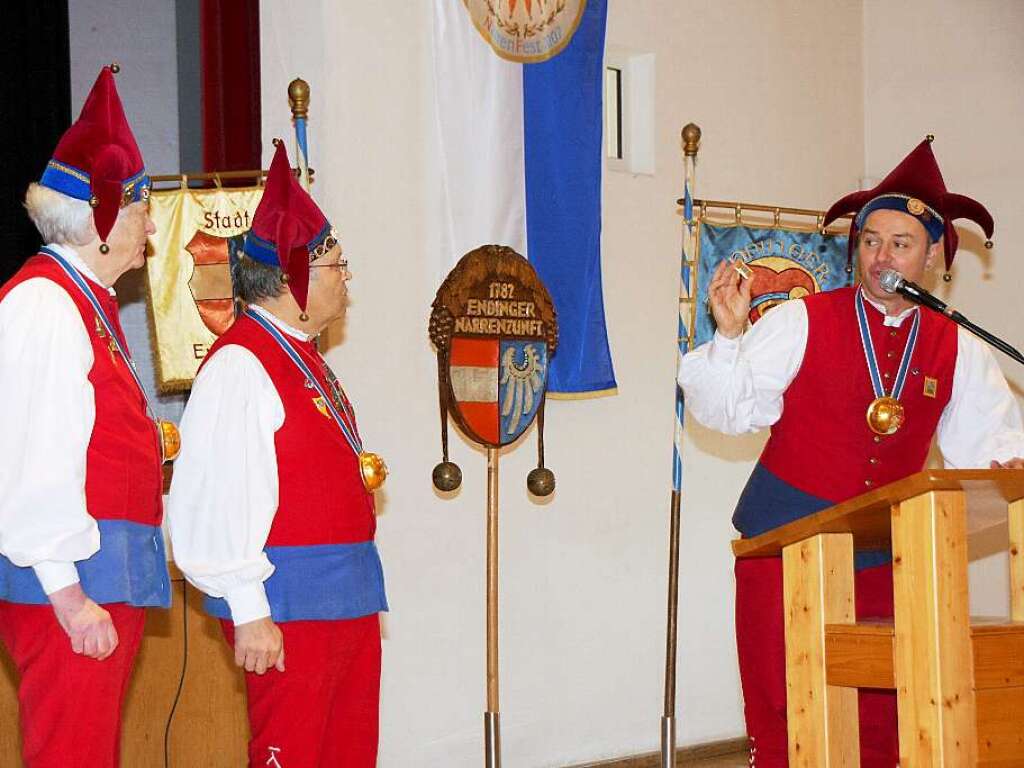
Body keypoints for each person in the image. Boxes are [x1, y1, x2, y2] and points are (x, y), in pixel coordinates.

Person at [679, 137, 1024, 767]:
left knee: (880, 720)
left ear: (934, 257)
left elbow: (992, 446)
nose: (880, 256)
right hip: (778, 550)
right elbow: (727, 410)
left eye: (900, 244)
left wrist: (1009, 468)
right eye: (869, 241)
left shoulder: (957, 346)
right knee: (784, 713)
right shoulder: (804, 320)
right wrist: (730, 336)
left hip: (881, 559)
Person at [168, 141, 388, 767]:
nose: (348, 279)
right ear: (295, 281)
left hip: (346, 600)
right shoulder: (241, 363)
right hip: (290, 610)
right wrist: (248, 610)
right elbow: (217, 494)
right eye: (337, 266)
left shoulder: (304, 357)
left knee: (347, 756)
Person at [0, 65, 172, 767]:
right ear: (100, 223)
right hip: (73, 587)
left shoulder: (84, 303)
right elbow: (33, 457)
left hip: (100, 578)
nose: (150, 227)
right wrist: (67, 594)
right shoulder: (44, 304)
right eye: (138, 211)